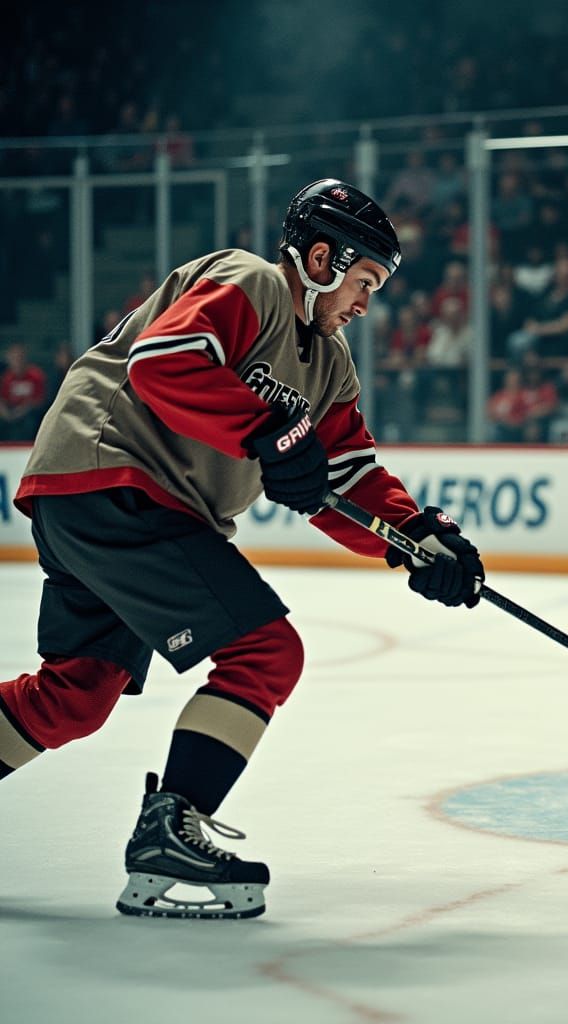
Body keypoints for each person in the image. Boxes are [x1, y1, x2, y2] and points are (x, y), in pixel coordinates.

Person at [0, 178, 486, 919]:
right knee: (267, 652)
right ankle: (171, 829)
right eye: (362, 281)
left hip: (103, 496)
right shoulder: (250, 280)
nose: (364, 303)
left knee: (80, 691)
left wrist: (419, 539)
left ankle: (168, 824)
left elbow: (347, 475)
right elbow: (161, 363)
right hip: (120, 479)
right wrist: (267, 431)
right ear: (321, 257)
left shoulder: (328, 364)